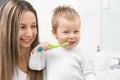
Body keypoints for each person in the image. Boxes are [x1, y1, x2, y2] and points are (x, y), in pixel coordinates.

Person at [29, 6, 96, 80]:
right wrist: (38, 49)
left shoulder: (82, 54)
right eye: (66, 32)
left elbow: (89, 74)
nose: (72, 36)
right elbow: (35, 66)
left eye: (76, 31)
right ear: (55, 33)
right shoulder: (49, 52)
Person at [0, 0, 43, 80]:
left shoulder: (43, 56)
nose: (30, 34)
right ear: (8, 29)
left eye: (33, 26)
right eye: (22, 27)